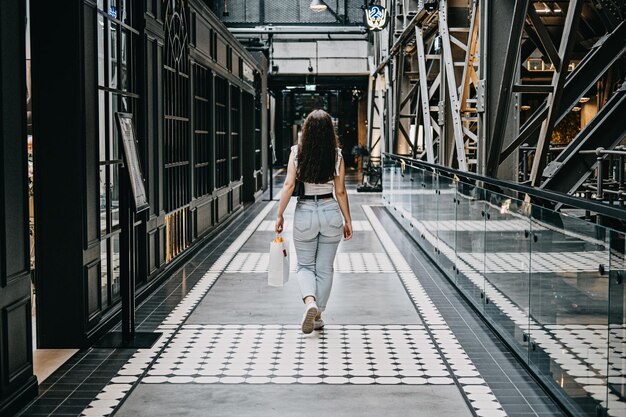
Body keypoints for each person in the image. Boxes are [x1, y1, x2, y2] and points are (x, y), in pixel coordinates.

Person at [275, 109, 353, 334]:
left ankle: (310, 302)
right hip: (330, 212)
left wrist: (280, 214)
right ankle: (318, 315)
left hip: (305, 213)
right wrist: (347, 220)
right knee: (325, 268)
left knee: (305, 266)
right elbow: (340, 191)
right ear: (330, 131)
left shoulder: (296, 153)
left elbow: (289, 186)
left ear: (306, 130)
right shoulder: (337, 155)